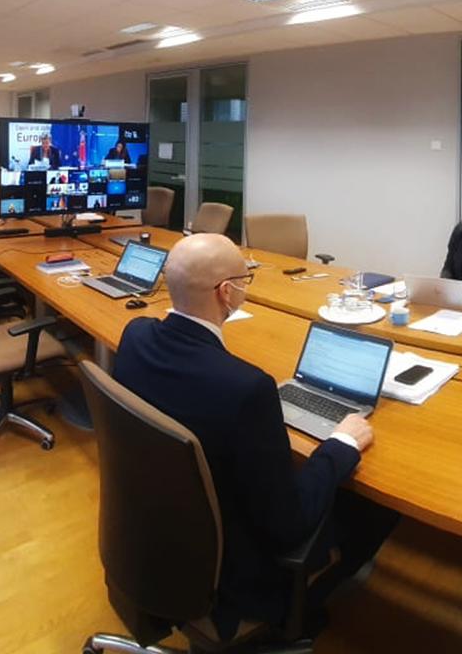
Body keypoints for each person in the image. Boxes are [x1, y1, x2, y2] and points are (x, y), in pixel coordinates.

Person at [113, 234, 397, 638]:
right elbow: (289, 524)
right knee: (376, 508)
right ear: (226, 293)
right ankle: (295, 619)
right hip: (230, 577)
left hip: (151, 538)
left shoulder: (135, 334)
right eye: (245, 279)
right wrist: (342, 442)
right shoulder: (246, 389)